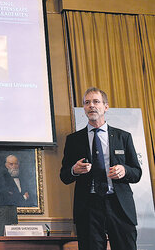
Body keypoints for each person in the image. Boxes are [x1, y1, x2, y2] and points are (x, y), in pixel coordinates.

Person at [60, 87, 141, 250]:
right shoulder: (74, 140)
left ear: (106, 106)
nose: (91, 106)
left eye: (96, 102)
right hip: (88, 206)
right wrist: (74, 170)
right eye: (87, 102)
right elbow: (64, 175)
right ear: (83, 108)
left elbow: (137, 173)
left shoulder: (123, 137)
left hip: (119, 205)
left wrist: (124, 171)